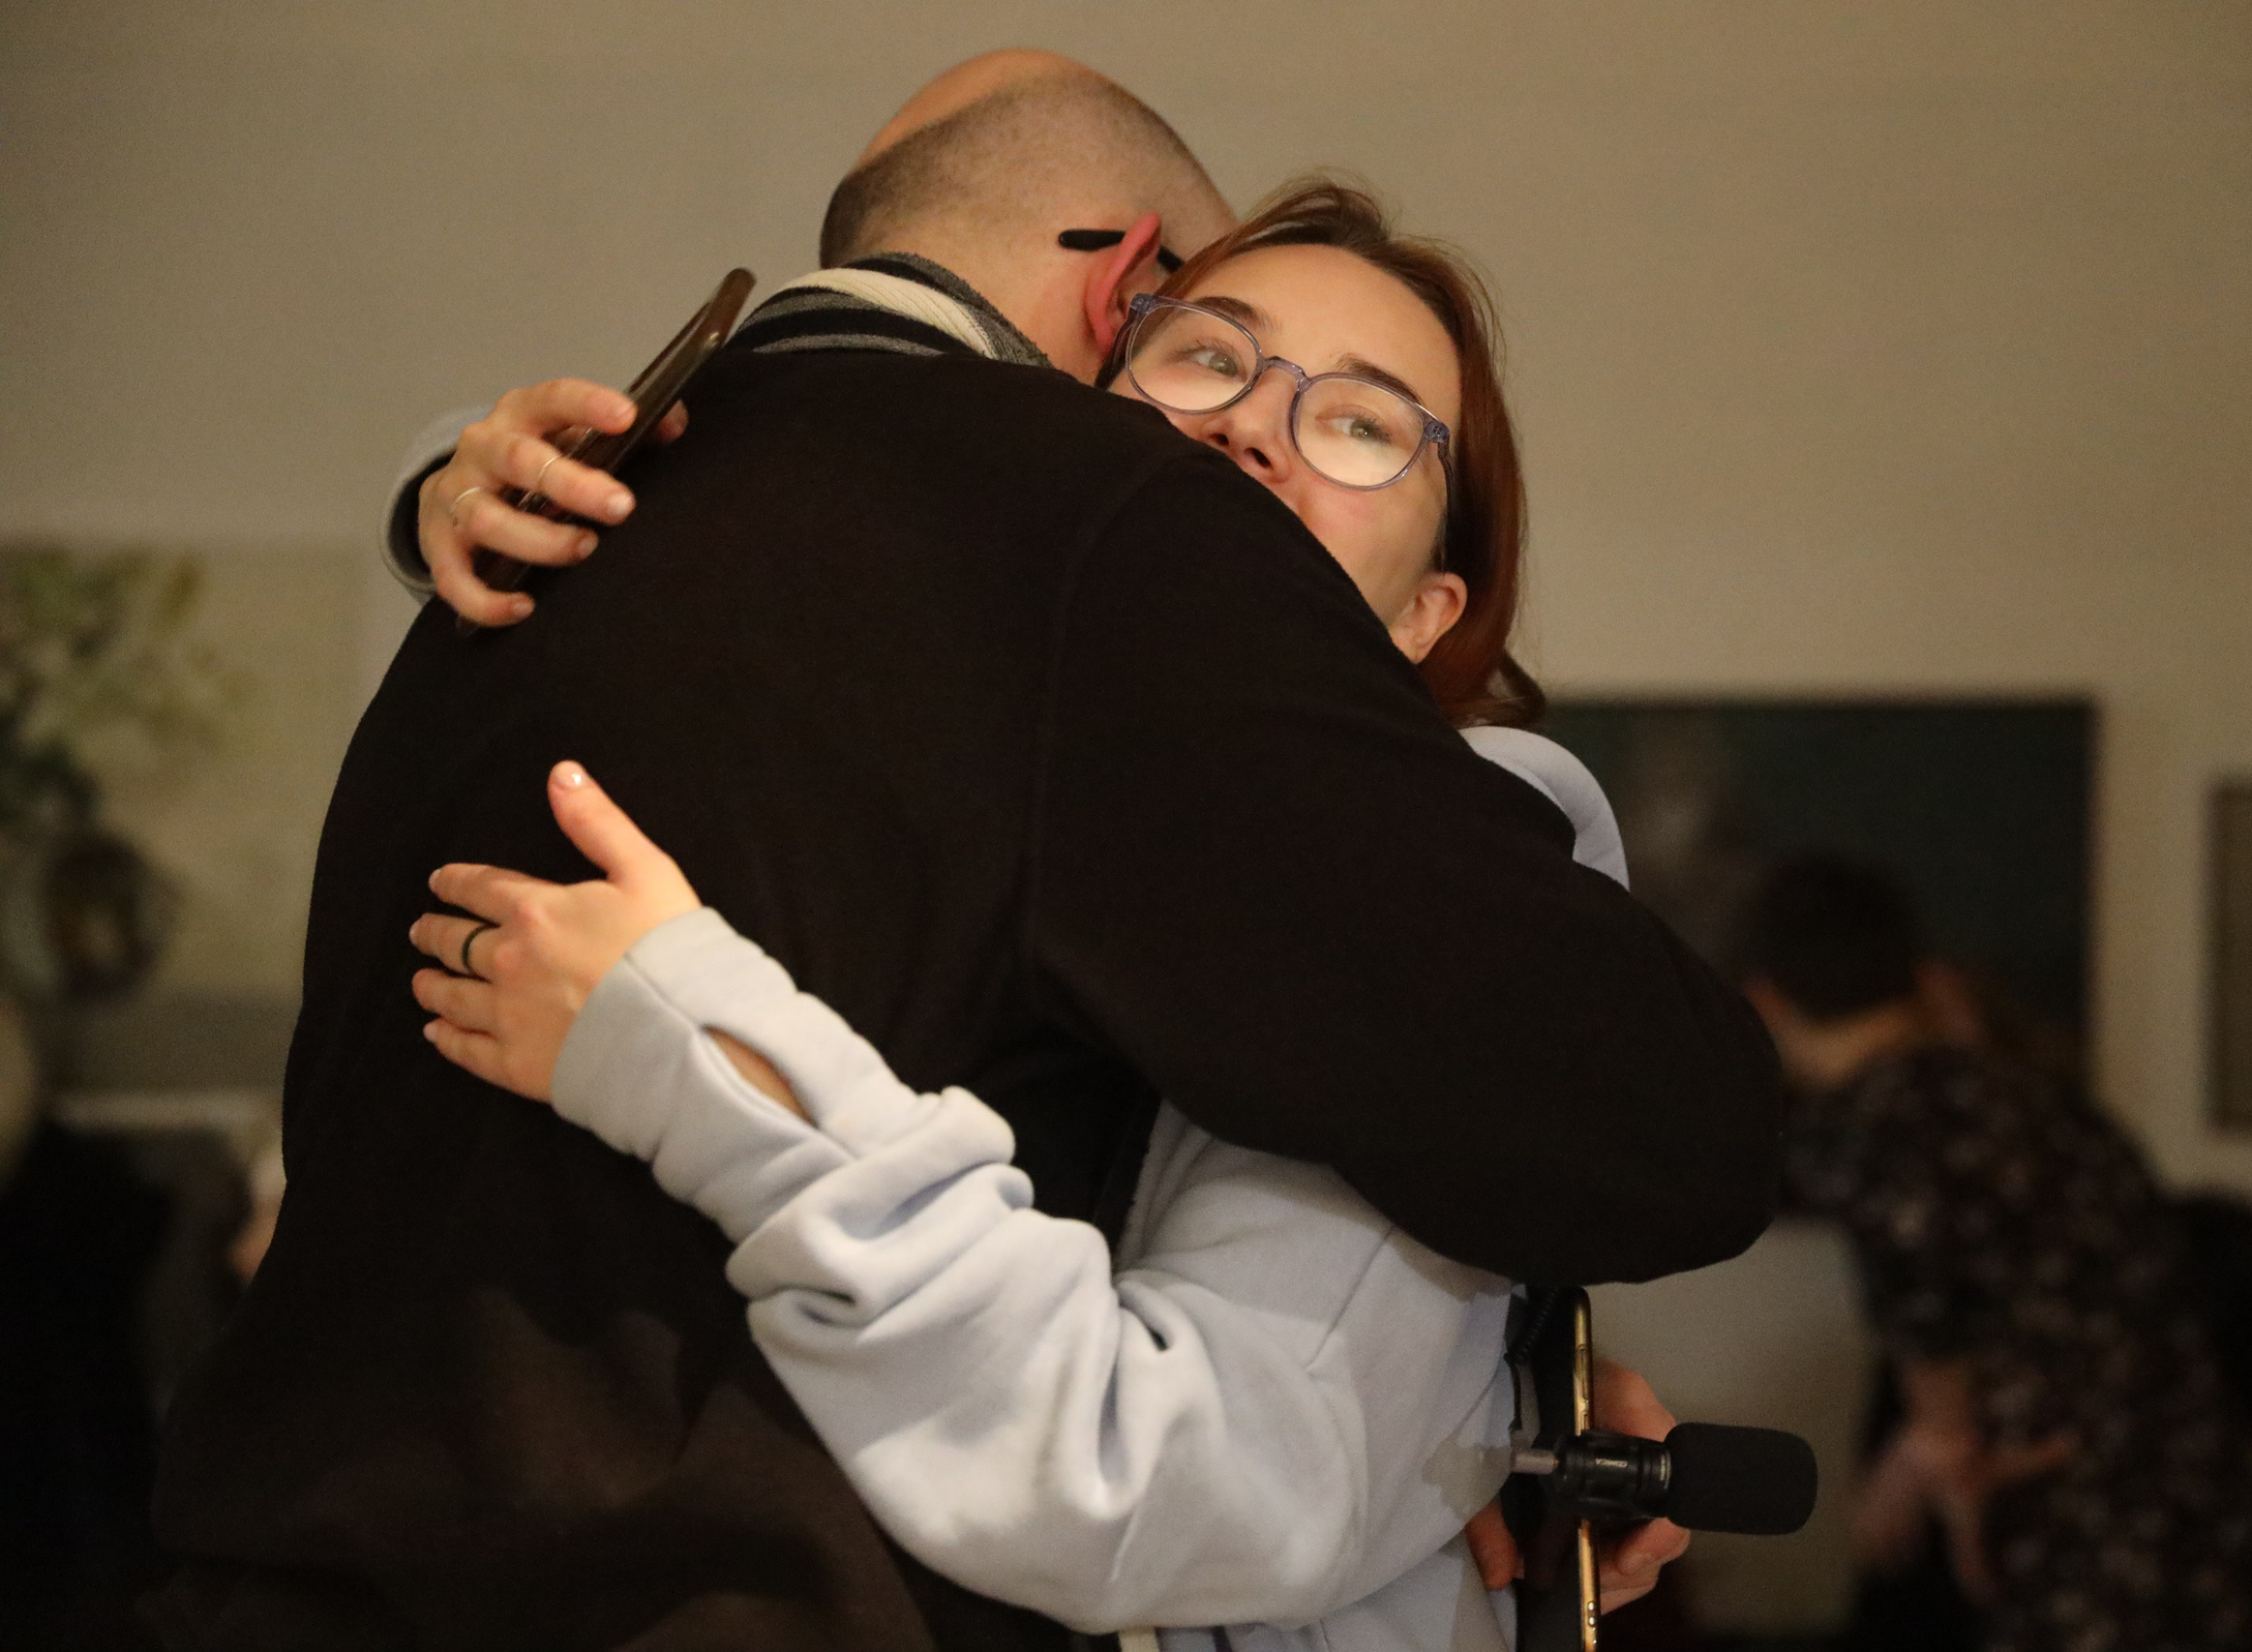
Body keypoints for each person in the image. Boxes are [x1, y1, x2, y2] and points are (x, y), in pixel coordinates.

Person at [150, 57, 1781, 1652]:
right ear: (1112, 334)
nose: (1258, 441)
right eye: (1209, 355)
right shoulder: (1037, 638)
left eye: (1366, 425)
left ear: (1435, 609)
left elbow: (1200, 1457)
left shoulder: (1446, 817)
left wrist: (704, 1052)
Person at [1739, 853, 2252, 1652]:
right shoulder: (2038, 1096)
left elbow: (1927, 1300)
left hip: (2094, 1555)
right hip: (2217, 1519)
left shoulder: (1870, 1127)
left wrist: (1938, 1453)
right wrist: (1926, 1455)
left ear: (1766, 998)